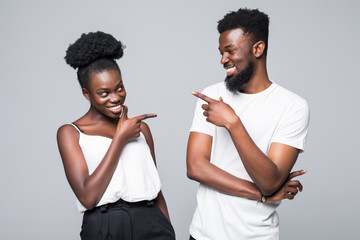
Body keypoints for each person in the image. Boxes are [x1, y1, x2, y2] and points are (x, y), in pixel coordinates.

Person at [186, 8, 310, 240]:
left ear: (258, 48)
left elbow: (269, 181)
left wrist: (233, 123)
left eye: (230, 51)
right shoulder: (212, 95)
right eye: (221, 52)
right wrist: (263, 196)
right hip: (202, 235)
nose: (223, 60)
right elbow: (195, 167)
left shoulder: (293, 106)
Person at [57, 31, 175, 240]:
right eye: (104, 93)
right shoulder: (71, 133)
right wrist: (120, 139)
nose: (115, 97)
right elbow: (88, 197)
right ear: (87, 93)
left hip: (151, 222)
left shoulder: (140, 129)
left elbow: (156, 191)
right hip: (104, 226)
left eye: (119, 88)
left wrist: (167, 227)